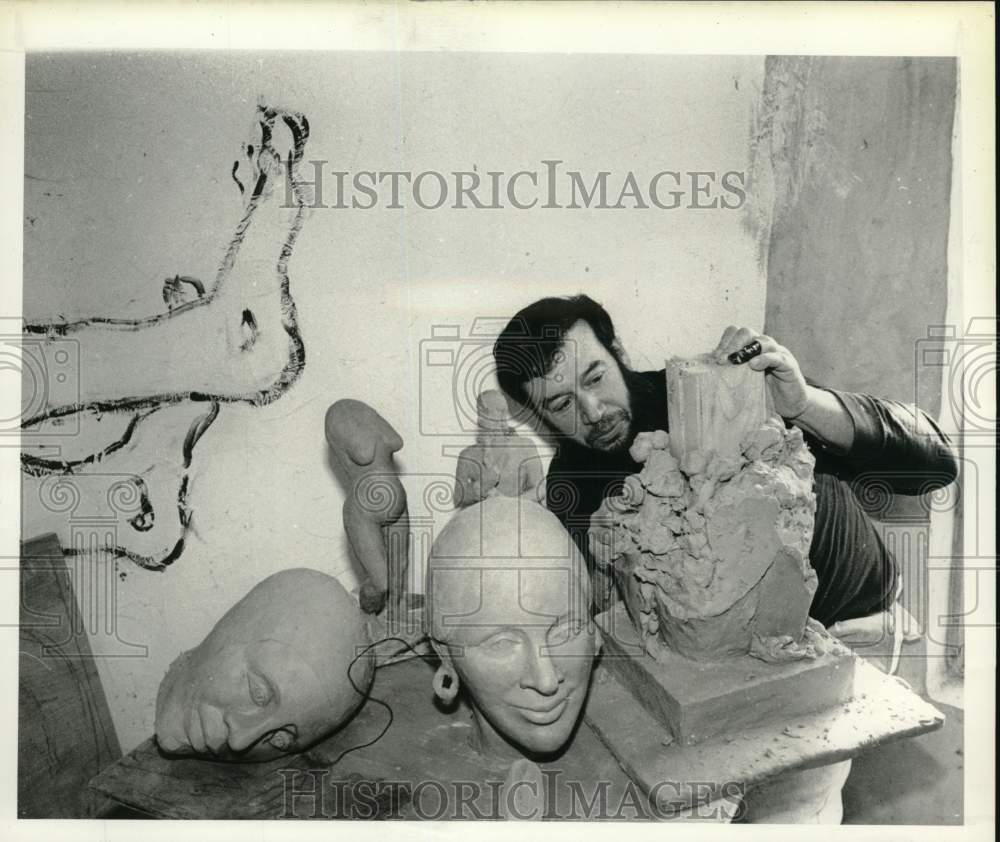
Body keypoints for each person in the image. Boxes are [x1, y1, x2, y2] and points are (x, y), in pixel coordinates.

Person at [492, 294, 958, 630]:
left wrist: (803, 406)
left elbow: (937, 465)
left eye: (595, 378)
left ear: (619, 355)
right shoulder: (571, 488)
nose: (592, 412)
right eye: (561, 404)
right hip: (744, 651)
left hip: (859, 611)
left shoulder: (721, 391)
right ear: (540, 416)